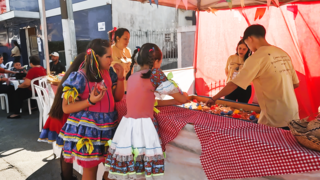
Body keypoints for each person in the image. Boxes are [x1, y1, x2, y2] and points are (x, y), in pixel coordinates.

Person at [105, 43, 189, 179]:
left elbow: (149, 101)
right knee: (144, 171)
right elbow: (182, 98)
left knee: (134, 167)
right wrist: (183, 96)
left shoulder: (132, 77)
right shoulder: (155, 74)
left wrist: (175, 101)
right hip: (144, 128)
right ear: (156, 61)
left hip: (127, 127)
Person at [207, 24, 300, 128]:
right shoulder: (283, 53)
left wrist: (213, 98)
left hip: (274, 117)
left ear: (250, 38)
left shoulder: (256, 58)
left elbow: (233, 85)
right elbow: (295, 84)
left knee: (268, 143)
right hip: (293, 112)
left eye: (246, 44)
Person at [58, 39, 124, 180]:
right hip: (89, 130)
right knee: (90, 170)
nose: (111, 60)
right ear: (96, 57)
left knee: (112, 167)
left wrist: (120, 78)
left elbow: (117, 98)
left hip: (108, 126)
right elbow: (66, 107)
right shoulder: (80, 76)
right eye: (108, 56)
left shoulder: (108, 73)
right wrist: (89, 101)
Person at [38, 52, 86, 180]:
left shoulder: (70, 76)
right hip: (66, 117)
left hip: (60, 115)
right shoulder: (77, 78)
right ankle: (67, 177)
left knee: (66, 150)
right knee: (67, 151)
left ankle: (66, 177)